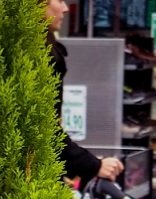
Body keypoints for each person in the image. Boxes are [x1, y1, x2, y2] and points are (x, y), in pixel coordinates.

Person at [46, 0, 123, 184]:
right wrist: (93, 165)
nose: (65, 8)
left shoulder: (42, 47)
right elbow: (42, 129)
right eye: (59, 0)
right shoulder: (39, 55)